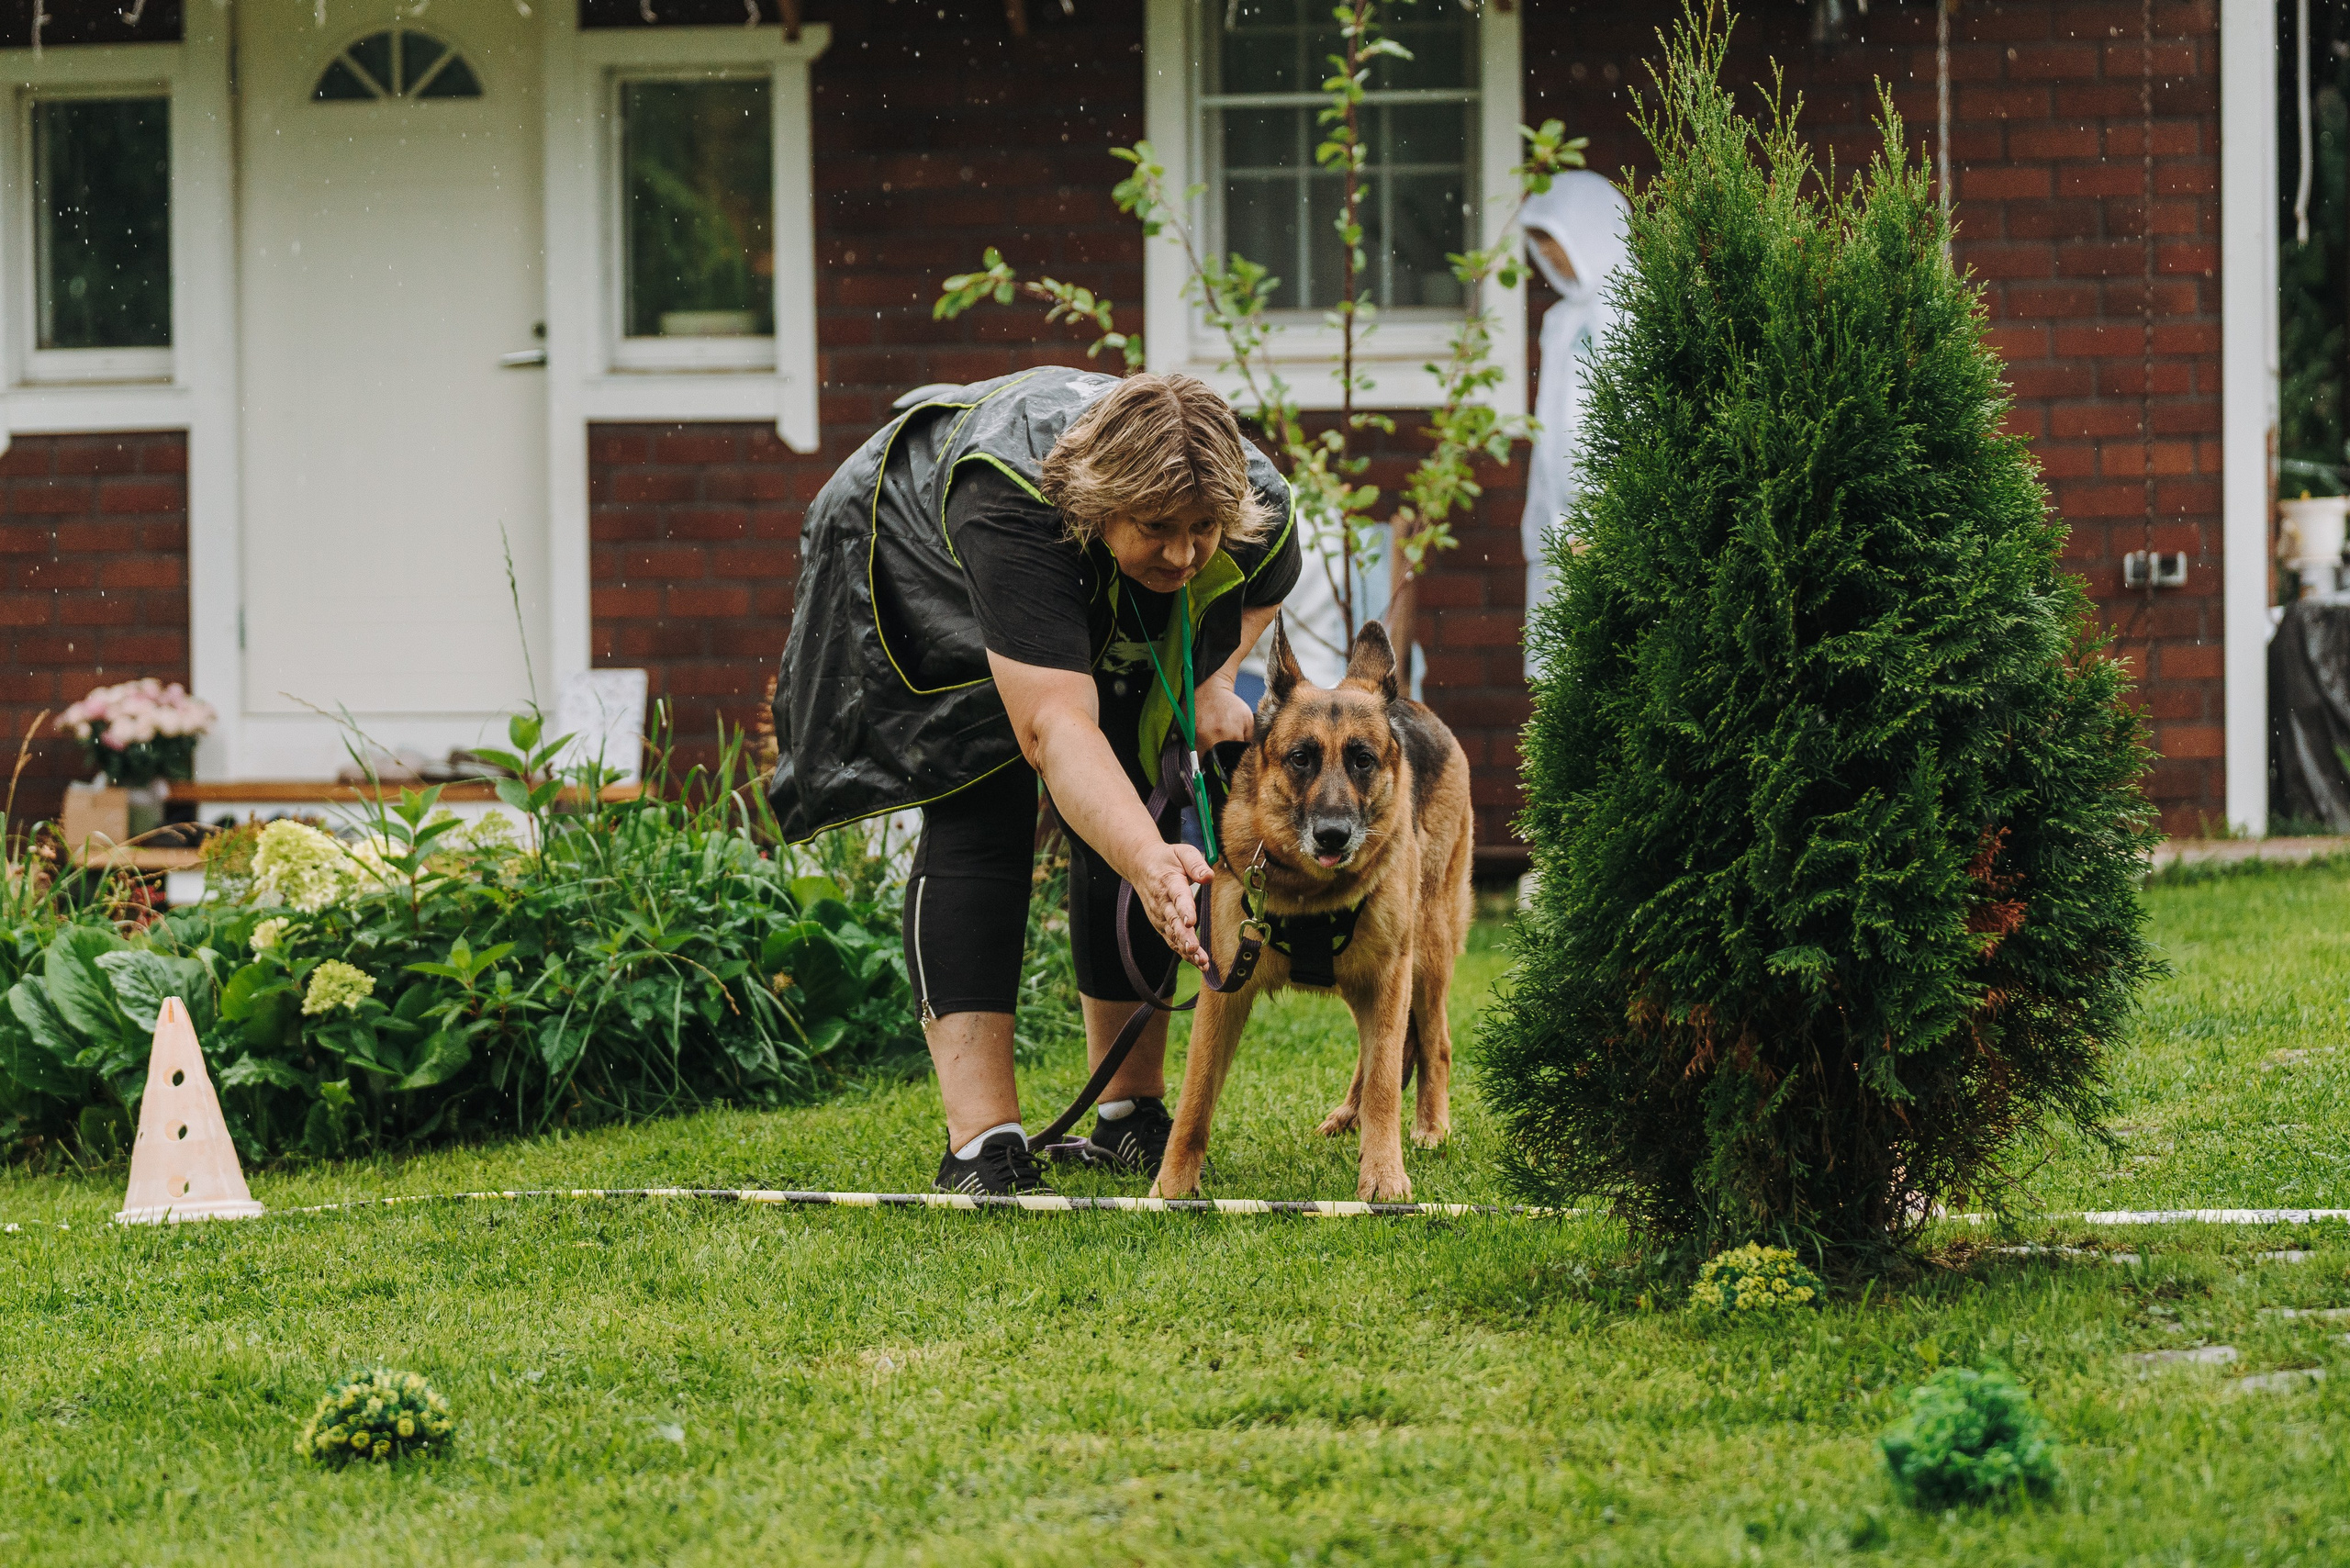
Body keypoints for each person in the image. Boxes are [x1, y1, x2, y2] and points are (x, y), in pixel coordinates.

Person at [767, 369, 1299, 1195]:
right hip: (911, 548)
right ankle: (983, 1144)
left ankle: (1131, 1113)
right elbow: (1053, 729)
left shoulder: (1246, 493)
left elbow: (1264, 576)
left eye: (1202, 530)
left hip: (1070, 553)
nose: (1185, 553)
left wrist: (1213, 679)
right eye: (1157, 528)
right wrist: (1152, 862)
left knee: (1129, 778)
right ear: (1100, 505)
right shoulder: (1012, 509)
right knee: (984, 790)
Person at [1518, 170, 1633, 677]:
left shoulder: (1641, 312)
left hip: (1619, 528)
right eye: (1541, 245)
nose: (1552, 259)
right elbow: (1552, 437)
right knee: (1560, 680)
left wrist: (1607, 520)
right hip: (1560, 530)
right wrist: (1546, 527)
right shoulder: (1562, 321)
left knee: (1616, 669)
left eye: (1557, 241)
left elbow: (1638, 427)